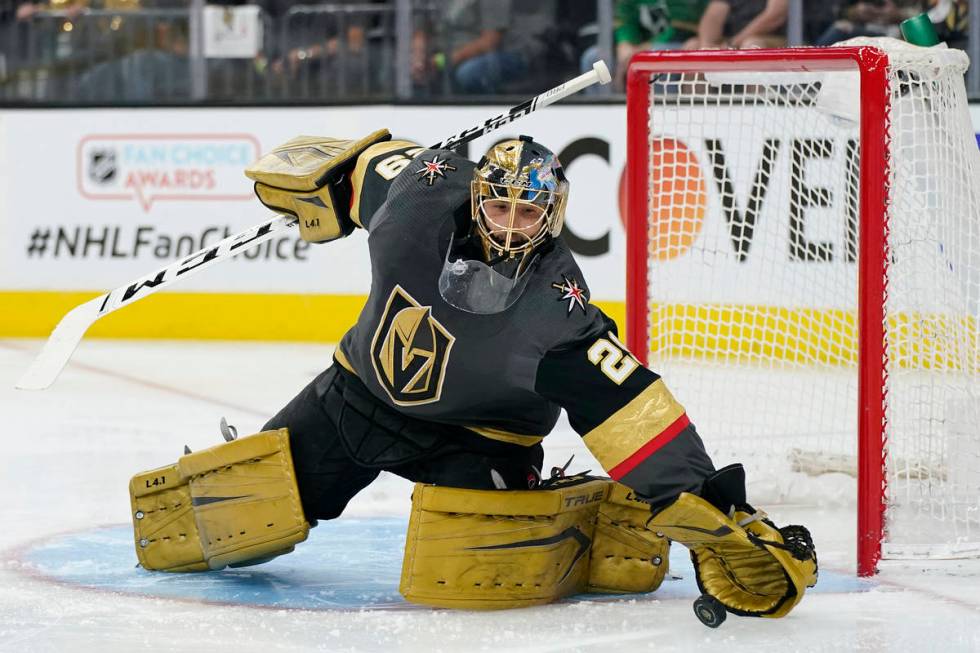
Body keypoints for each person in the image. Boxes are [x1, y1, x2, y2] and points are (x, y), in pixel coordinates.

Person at [129, 131, 817, 619]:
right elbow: (365, 163)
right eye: (499, 205)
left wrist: (710, 503)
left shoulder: (559, 311)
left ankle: (592, 510)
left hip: (479, 440)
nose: (512, 225)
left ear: (553, 216)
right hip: (353, 399)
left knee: (469, 580)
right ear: (477, 196)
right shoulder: (415, 199)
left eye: (529, 211)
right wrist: (324, 186)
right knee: (212, 528)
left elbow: (638, 410)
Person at [685, 0, 788, 49]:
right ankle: (697, 93)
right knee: (692, 46)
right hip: (731, 41)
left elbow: (775, 16)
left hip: (778, 40)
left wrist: (733, 43)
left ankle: (755, 93)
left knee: (752, 46)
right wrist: (706, 45)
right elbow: (713, 16)